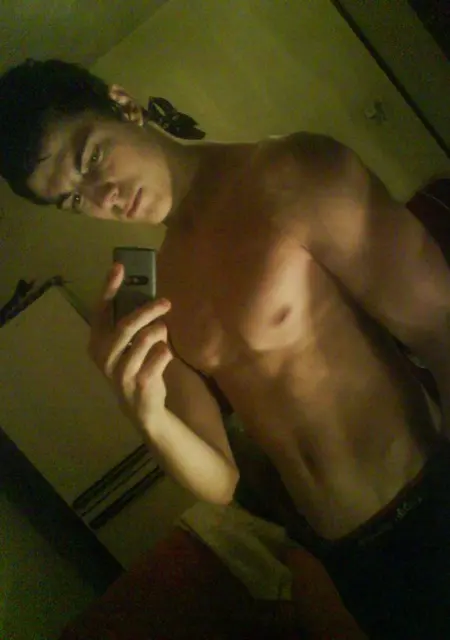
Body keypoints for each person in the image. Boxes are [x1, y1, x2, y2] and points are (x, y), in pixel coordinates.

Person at [1, 58, 449, 638]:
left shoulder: (292, 173)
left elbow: (439, 326)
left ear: (123, 105)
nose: (102, 197)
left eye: (91, 159)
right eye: (72, 200)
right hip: (345, 554)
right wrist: (145, 412)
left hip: (428, 501)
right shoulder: (157, 291)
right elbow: (221, 482)